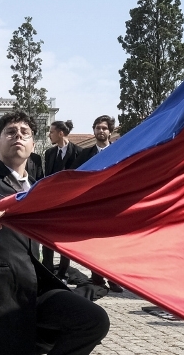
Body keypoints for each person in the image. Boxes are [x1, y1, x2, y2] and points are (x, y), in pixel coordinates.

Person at [0, 110, 109, 355]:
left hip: (34, 286)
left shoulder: (40, 187)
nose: (18, 135)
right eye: (10, 132)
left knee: (93, 320)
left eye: (24, 133)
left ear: (32, 145)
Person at [79, 115, 122, 293]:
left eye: (104, 128)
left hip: (114, 204)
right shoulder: (84, 154)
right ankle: (97, 278)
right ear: (94, 130)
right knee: (93, 242)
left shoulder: (120, 151)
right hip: (92, 205)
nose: (101, 131)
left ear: (110, 131)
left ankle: (113, 279)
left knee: (112, 244)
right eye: (98, 128)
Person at [39, 121, 82, 278]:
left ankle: (63, 271)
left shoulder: (78, 152)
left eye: (51, 132)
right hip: (51, 202)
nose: (49, 135)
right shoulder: (49, 153)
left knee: (65, 237)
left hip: (70, 202)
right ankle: (48, 270)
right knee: (47, 236)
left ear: (61, 133)